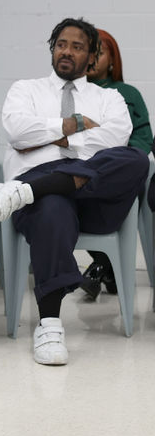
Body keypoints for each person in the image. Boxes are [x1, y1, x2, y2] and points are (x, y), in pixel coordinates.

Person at [0, 17, 148, 366]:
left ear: (91, 57)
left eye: (78, 46)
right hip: (47, 201)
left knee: (135, 160)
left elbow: (115, 138)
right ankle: (48, 324)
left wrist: (46, 137)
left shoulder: (110, 99)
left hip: (92, 200)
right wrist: (74, 126)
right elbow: (17, 131)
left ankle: (29, 189)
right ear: (52, 48)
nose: (67, 51)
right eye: (61, 44)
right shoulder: (25, 89)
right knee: (53, 206)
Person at [80, 28, 153, 299]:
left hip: (116, 172)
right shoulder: (73, 92)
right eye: (90, 53)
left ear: (112, 60)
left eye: (100, 53)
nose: (93, 59)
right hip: (79, 171)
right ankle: (106, 267)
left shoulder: (127, 93)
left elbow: (143, 138)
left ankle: (103, 267)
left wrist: (115, 160)